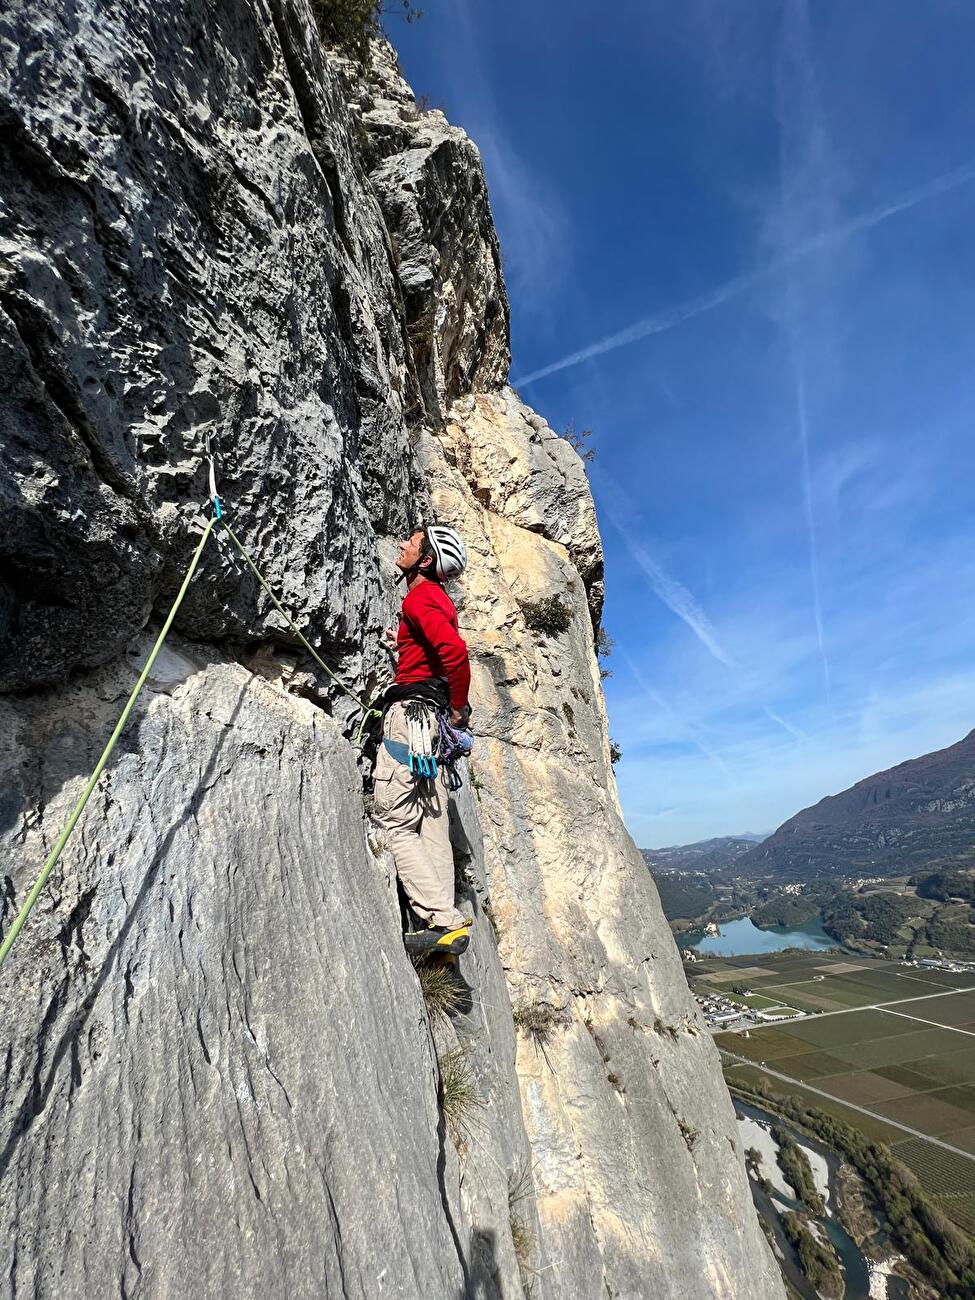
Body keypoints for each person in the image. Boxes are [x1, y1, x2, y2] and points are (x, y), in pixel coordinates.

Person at [374, 523, 473, 955]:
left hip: (412, 716)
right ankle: (444, 917)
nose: (402, 544)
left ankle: (441, 921)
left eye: (412, 543)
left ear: (426, 560)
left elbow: (454, 653)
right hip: (428, 724)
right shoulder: (437, 599)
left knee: (394, 822)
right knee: (430, 822)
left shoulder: (421, 597)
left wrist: (459, 706)